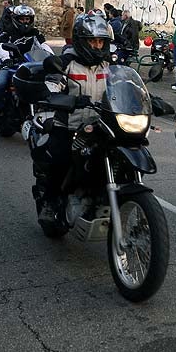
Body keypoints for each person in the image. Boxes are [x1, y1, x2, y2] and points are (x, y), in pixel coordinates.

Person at [34, 13, 114, 226]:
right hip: (69, 125)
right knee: (60, 159)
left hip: (99, 126)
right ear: (81, 41)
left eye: (100, 41)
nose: (97, 46)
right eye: (92, 41)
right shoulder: (66, 63)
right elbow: (50, 90)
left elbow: (126, 85)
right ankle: (50, 203)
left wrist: (148, 98)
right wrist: (70, 100)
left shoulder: (108, 65)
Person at [0, 4, 45, 120]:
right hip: (9, 64)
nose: (25, 22)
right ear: (15, 19)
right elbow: (0, 46)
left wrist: (52, 58)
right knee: (0, 82)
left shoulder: (34, 33)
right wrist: (7, 59)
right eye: (22, 19)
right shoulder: (8, 31)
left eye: (27, 19)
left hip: (28, 64)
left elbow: (43, 46)